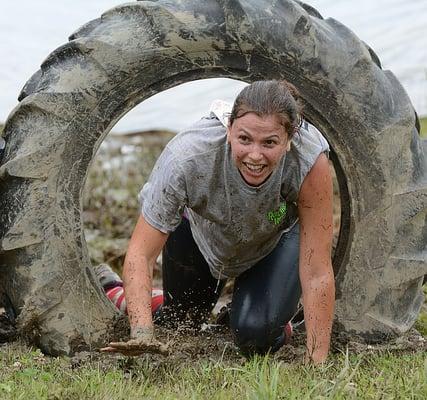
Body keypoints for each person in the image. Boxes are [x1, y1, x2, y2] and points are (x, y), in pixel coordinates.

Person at [100, 80, 335, 364]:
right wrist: (141, 336)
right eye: (244, 139)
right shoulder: (188, 156)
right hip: (205, 236)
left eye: (269, 142)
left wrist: (316, 362)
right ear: (229, 129)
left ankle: (271, 314)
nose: (255, 156)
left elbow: (317, 272)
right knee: (178, 320)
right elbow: (141, 253)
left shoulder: (309, 161)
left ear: (289, 140)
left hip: (274, 232)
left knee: (255, 336)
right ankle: (114, 289)